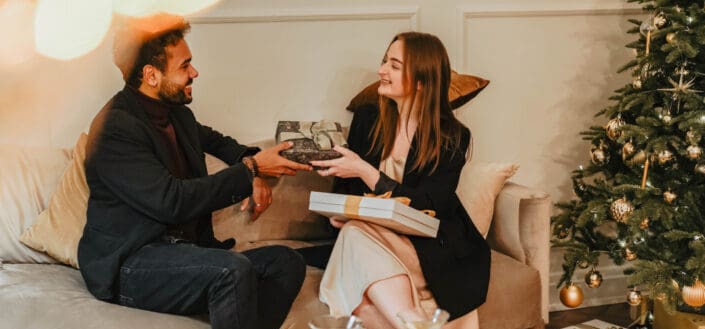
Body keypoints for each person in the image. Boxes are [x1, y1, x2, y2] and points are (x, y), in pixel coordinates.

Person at [77, 15, 311, 329]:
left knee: (287, 262)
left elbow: (220, 143)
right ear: (151, 75)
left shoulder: (177, 115)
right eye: (185, 66)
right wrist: (250, 171)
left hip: (186, 254)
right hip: (131, 264)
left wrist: (257, 164)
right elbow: (171, 201)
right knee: (232, 270)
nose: (194, 73)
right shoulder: (114, 128)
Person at [310, 31, 490, 329]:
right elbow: (348, 190)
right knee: (361, 281)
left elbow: (433, 204)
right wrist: (339, 212)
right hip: (372, 236)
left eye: (394, 65)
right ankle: (413, 323)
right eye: (385, 61)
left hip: (428, 245)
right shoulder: (368, 119)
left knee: (357, 252)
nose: (381, 70)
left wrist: (366, 172)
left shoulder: (452, 135)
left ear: (422, 80)